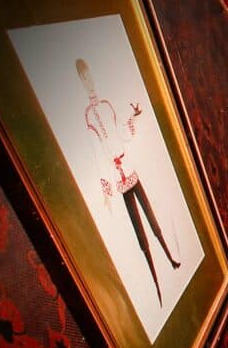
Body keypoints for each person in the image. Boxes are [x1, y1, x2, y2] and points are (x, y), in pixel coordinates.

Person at [77, 58, 181, 306]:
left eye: (89, 75)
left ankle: (170, 259)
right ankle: (156, 283)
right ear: (81, 82)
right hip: (118, 179)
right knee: (140, 232)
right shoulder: (90, 115)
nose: (89, 81)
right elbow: (98, 153)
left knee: (152, 219)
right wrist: (106, 189)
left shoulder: (106, 105)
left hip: (131, 171)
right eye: (84, 78)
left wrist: (133, 117)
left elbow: (121, 134)